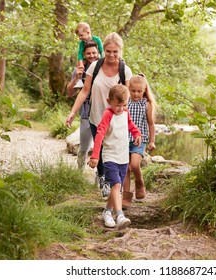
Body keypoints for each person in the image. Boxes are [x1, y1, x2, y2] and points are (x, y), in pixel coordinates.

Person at [64, 32, 133, 198]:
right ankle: (104, 180)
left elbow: (127, 98)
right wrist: (73, 112)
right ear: (104, 50)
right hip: (96, 116)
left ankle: (112, 182)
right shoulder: (95, 67)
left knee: (112, 149)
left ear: (120, 51)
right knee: (100, 148)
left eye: (115, 51)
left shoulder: (125, 71)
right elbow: (84, 91)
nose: (111, 55)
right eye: (108, 51)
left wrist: (131, 123)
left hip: (116, 119)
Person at [88, 84, 141, 229]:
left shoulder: (125, 113)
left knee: (117, 188)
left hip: (123, 157)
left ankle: (107, 212)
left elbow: (131, 126)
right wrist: (95, 156)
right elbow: (99, 135)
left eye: (124, 105)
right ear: (109, 101)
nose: (121, 108)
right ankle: (120, 215)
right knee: (116, 185)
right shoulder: (108, 115)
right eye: (118, 105)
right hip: (110, 156)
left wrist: (137, 134)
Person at [122, 74, 156, 208]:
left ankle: (139, 182)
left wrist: (152, 141)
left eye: (139, 91)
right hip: (124, 139)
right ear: (128, 89)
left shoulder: (146, 104)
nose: (136, 94)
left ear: (144, 90)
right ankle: (126, 196)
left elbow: (151, 124)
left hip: (139, 140)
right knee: (125, 168)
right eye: (133, 91)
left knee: (135, 165)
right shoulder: (125, 102)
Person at [66, 40, 99, 170]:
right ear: (84, 55)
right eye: (88, 53)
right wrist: (76, 77)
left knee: (101, 146)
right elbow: (69, 92)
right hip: (86, 112)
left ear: (98, 53)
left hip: (102, 112)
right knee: (84, 147)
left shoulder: (103, 68)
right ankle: (79, 172)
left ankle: (99, 176)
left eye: (94, 53)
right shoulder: (79, 69)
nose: (92, 56)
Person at [74, 22, 103, 89]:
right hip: (86, 60)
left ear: (88, 32)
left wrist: (101, 60)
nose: (80, 38)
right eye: (79, 36)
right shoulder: (82, 43)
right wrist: (81, 64)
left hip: (98, 59)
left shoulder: (97, 39)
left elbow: (101, 51)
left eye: (81, 35)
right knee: (80, 65)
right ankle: (79, 80)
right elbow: (80, 53)